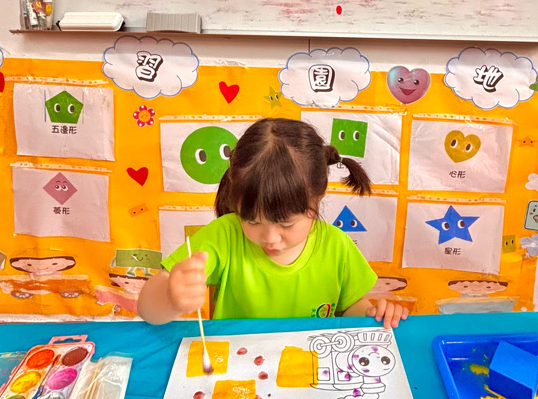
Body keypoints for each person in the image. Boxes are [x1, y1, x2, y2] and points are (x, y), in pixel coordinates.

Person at [138, 118, 408, 328]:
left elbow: (350, 308)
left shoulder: (337, 246)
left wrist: (374, 313)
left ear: (318, 197)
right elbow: (147, 310)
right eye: (252, 220)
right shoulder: (224, 235)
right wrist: (170, 297)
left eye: (286, 224)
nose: (270, 238)